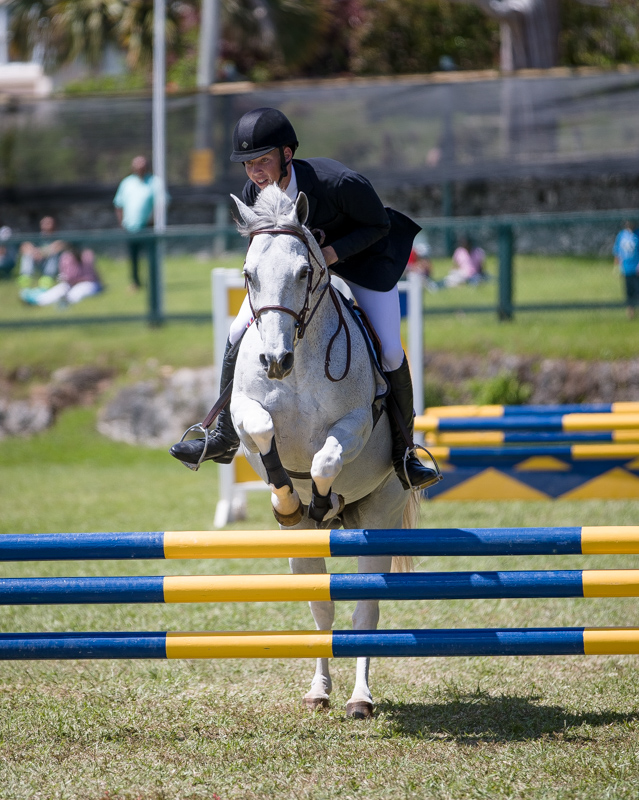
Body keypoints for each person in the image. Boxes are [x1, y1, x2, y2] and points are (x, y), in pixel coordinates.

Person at [170, 106, 439, 491]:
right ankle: (225, 434)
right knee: (234, 332)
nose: (255, 173)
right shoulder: (255, 192)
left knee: (392, 352)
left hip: (360, 265)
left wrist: (331, 255)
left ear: (287, 155)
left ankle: (404, 453)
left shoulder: (337, 182)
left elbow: (379, 224)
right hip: (297, 278)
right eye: (247, 164)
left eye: (262, 161)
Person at [113, 156, 166, 291]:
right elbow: (118, 204)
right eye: (137, 165)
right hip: (131, 227)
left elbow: (161, 203)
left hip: (148, 228)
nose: (140, 168)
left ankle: (154, 283)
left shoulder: (155, 182)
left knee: (152, 257)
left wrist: (154, 220)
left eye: (142, 165)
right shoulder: (126, 183)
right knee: (133, 257)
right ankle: (135, 282)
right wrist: (121, 223)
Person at [20, 245, 102, 307]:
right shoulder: (66, 257)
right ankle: (37, 300)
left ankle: (65, 302)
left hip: (88, 283)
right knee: (59, 289)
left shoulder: (87, 255)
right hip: (70, 283)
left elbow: (92, 275)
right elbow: (66, 276)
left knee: (78, 292)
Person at [16, 216, 66, 290]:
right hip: (37, 261)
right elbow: (24, 246)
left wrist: (42, 253)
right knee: (27, 254)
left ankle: (48, 278)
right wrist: (34, 252)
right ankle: (26, 277)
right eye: (43, 223)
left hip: (53, 265)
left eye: (48, 223)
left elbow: (59, 246)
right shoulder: (37, 236)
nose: (45, 225)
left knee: (53, 255)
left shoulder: (59, 236)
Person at [613, 221, 639, 320]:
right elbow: (617, 252)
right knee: (629, 293)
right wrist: (617, 267)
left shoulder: (638, 234)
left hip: (636, 269)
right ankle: (631, 315)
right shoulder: (621, 235)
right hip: (626, 269)